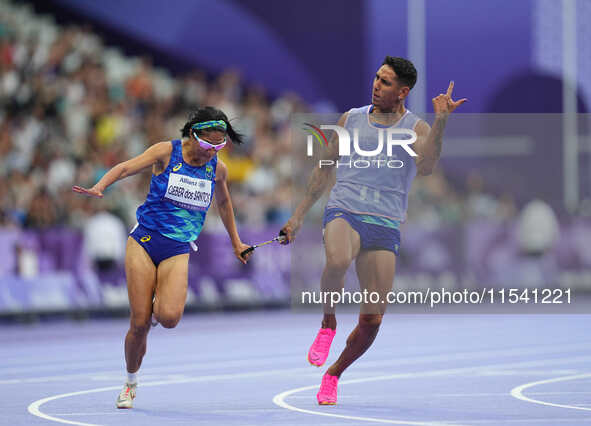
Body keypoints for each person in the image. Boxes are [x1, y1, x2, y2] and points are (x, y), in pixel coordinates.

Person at [280, 56, 466, 405]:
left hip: (385, 223)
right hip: (345, 209)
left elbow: (426, 167)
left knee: (372, 320)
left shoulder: (416, 128)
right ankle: (328, 323)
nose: (376, 85)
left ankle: (333, 373)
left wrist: (441, 122)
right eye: (377, 78)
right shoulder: (350, 119)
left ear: (402, 91)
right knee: (337, 260)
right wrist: (298, 215)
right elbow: (323, 170)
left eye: (385, 82)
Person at [73, 106, 252, 409]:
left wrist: (236, 242)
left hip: (178, 248)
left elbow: (223, 203)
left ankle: (154, 307)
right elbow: (126, 168)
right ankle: (130, 383)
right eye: (209, 145)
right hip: (144, 240)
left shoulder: (217, 169)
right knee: (139, 322)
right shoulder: (166, 152)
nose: (213, 152)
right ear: (193, 135)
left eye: (219, 146)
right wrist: (100, 187)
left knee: (168, 318)